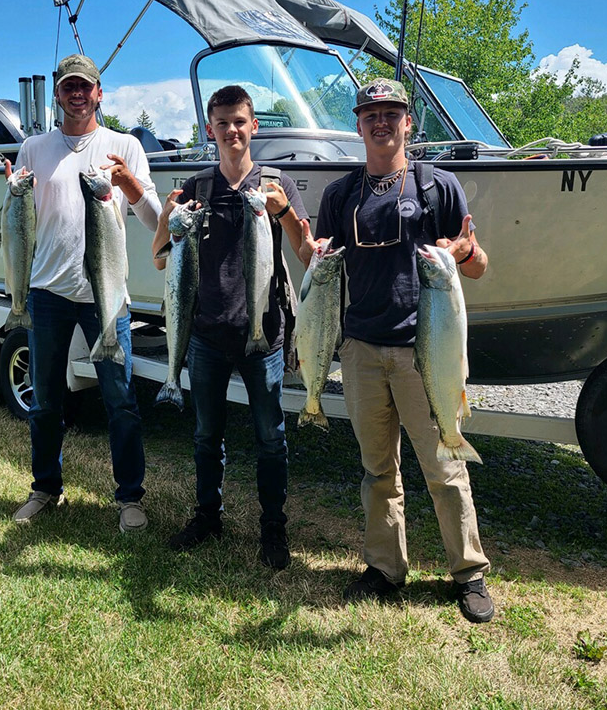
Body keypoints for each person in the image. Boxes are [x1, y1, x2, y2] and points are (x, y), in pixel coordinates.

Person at [304, 78, 494, 622]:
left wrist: (465, 252)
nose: (381, 122)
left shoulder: (438, 186)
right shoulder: (340, 194)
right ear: (358, 124)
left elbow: (479, 266)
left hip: (423, 351)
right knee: (377, 470)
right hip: (360, 350)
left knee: (444, 466)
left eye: (392, 113)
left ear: (409, 122)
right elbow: (318, 264)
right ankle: (384, 569)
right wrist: (307, 243)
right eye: (371, 115)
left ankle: (469, 572)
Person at [152, 85, 309, 569]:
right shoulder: (197, 187)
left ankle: (273, 528)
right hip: (205, 335)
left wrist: (283, 212)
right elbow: (160, 258)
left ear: (254, 125)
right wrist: (166, 217)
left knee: (271, 438)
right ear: (210, 130)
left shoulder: (277, 184)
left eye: (240, 121)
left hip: (263, 335)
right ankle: (207, 517)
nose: (232, 131)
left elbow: (307, 254)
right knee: (206, 435)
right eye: (222, 123)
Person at [8, 54, 161, 532]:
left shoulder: (124, 145)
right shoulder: (34, 147)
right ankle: (44, 488)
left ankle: (130, 497)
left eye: (85, 86)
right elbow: (21, 220)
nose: (77, 94)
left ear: (99, 93)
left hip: (107, 296)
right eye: (68, 86)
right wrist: (12, 191)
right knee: (45, 401)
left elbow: (156, 221)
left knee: (121, 402)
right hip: (46, 292)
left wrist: (129, 183)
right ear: (57, 93)